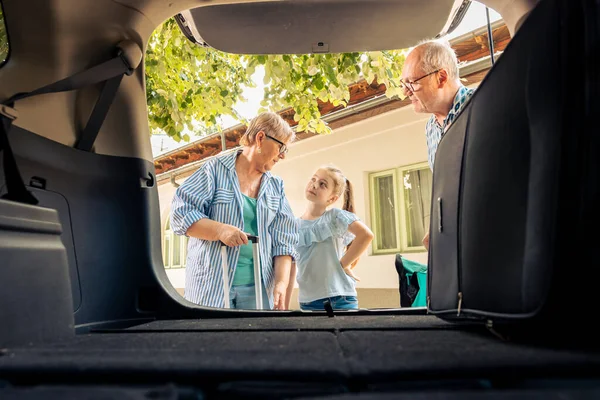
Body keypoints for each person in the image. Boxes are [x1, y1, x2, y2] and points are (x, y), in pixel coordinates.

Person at [170, 112, 299, 310]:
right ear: (260, 138)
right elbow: (181, 213)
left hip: (259, 287)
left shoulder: (275, 186)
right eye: (281, 147)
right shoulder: (215, 170)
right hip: (211, 286)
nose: (282, 155)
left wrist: (281, 284)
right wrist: (220, 230)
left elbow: (285, 241)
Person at [400, 40, 475, 250]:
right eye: (403, 84)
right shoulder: (430, 128)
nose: (406, 92)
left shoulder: (482, 107)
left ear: (441, 77)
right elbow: (444, 186)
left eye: (412, 83)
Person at [294, 165, 374, 311]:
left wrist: (342, 265)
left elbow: (366, 235)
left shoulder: (335, 217)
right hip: (307, 301)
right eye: (313, 179)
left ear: (332, 198)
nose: (314, 185)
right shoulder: (294, 225)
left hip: (339, 298)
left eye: (322, 184)